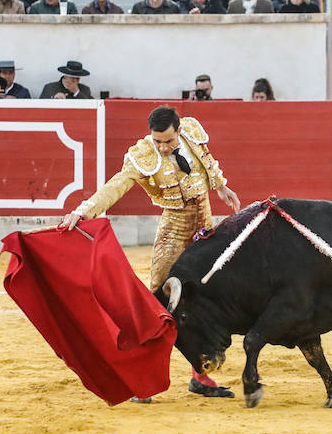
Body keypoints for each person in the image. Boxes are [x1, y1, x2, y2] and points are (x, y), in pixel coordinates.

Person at [59, 105, 240, 400]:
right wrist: (83, 212)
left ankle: (200, 376)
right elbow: (114, 187)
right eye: (157, 141)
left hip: (205, 227)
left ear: (179, 131)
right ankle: (143, 380)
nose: (163, 147)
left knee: (204, 301)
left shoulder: (192, 132)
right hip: (174, 229)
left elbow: (207, 159)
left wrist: (221, 186)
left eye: (168, 141)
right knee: (159, 306)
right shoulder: (142, 155)